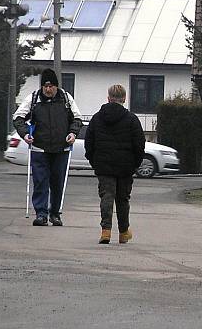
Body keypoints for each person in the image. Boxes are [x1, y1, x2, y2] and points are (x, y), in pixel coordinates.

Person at [13, 68, 83, 227]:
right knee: (40, 182)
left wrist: (72, 133)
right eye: (45, 86)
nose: (48, 89)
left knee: (58, 183)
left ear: (56, 86)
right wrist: (25, 135)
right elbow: (18, 118)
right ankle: (41, 214)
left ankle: (55, 214)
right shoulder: (33, 99)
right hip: (39, 148)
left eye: (51, 86)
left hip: (61, 149)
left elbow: (77, 119)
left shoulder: (66, 98)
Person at [84, 84, 145, 245]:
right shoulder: (132, 119)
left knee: (107, 197)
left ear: (108, 98)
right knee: (123, 199)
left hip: (103, 166)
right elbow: (139, 144)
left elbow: (89, 143)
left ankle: (106, 231)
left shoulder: (97, 118)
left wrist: (94, 161)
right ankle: (124, 232)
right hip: (125, 167)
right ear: (124, 99)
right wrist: (135, 164)